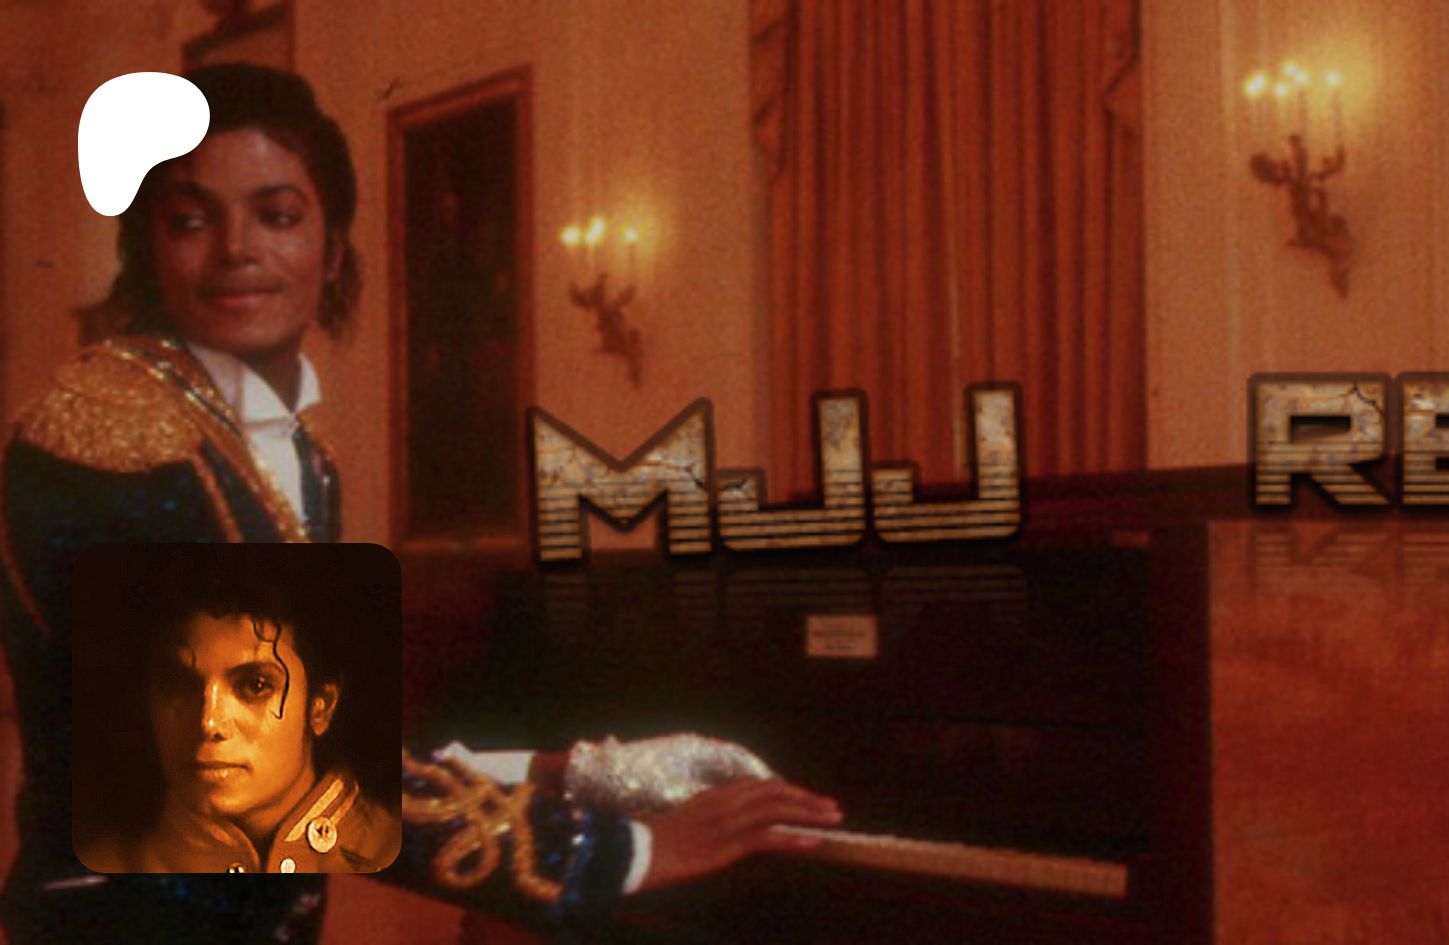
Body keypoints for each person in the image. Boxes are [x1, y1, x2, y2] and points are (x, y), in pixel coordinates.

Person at [0, 63, 839, 943]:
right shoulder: (107, 436)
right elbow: (270, 771)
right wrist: (625, 850)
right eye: (191, 220)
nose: (237, 248)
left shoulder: (291, 448)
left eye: (277, 216)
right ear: (148, 247)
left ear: (332, 249)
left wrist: (577, 769)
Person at [73, 543, 399, 876]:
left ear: (321, 706)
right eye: (179, 683)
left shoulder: (405, 860)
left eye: (255, 685)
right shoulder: (95, 873)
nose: (208, 721)